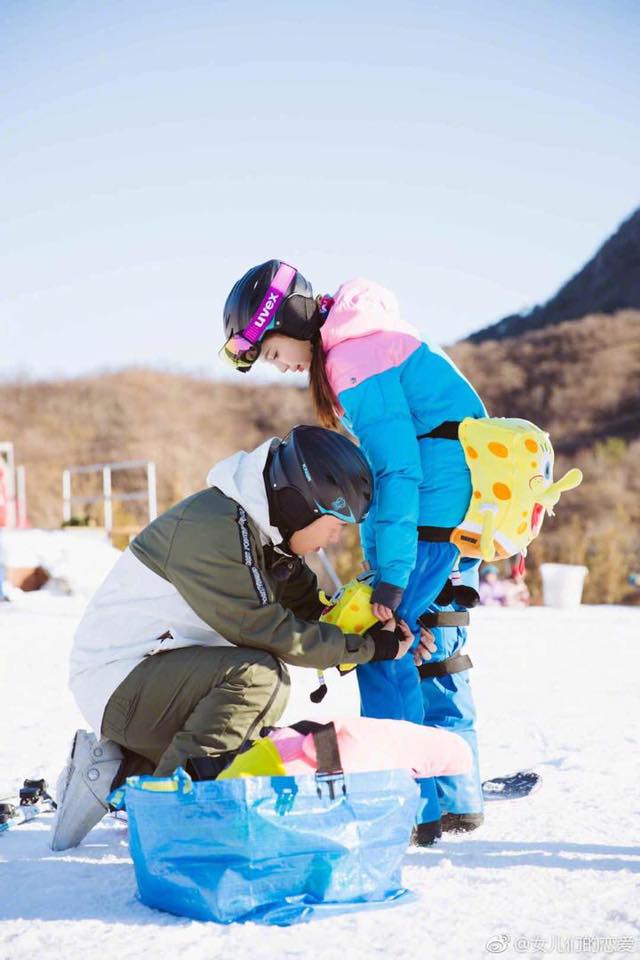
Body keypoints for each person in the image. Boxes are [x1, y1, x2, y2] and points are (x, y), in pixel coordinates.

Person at [52, 426, 431, 851]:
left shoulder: (267, 535)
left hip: (155, 676)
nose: (336, 537)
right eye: (337, 523)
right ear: (302, 503)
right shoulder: (217, 528)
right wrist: (369, 649)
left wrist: (384, 634)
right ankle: (174, 819)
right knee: (259, 677)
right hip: (118, 682)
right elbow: (270, 630)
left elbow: (314, 613)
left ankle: (121, 772)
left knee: (259, 703)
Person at [220, 261, 487, 839]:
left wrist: (389, 576)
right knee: (435, 645)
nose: (283, 366)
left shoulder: (352, 356)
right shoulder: (368, 337)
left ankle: (406, 805)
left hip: (431, 516)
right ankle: (454, 793)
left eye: (273, 353)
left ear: (287, 321)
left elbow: (395, 470)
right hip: (457, 510)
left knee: (384, 643)